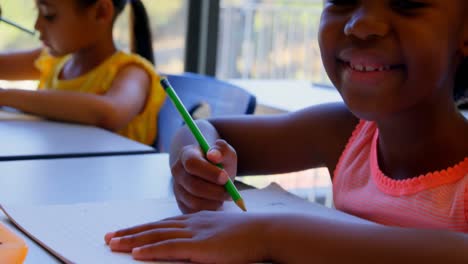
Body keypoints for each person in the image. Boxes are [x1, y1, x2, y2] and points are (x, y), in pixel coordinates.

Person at [105, 0, 468, 262]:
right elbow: (201, 127)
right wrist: (193, 161)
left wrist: (271, 236)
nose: (360, 24)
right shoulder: (346, 133)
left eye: (407, 3)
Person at [0, 0, 165, 145]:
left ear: (101, 12)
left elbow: (109, 113)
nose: (37, 25)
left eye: (48, 15)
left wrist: (6, 96)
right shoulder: (53, 61)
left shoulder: (133, 72)